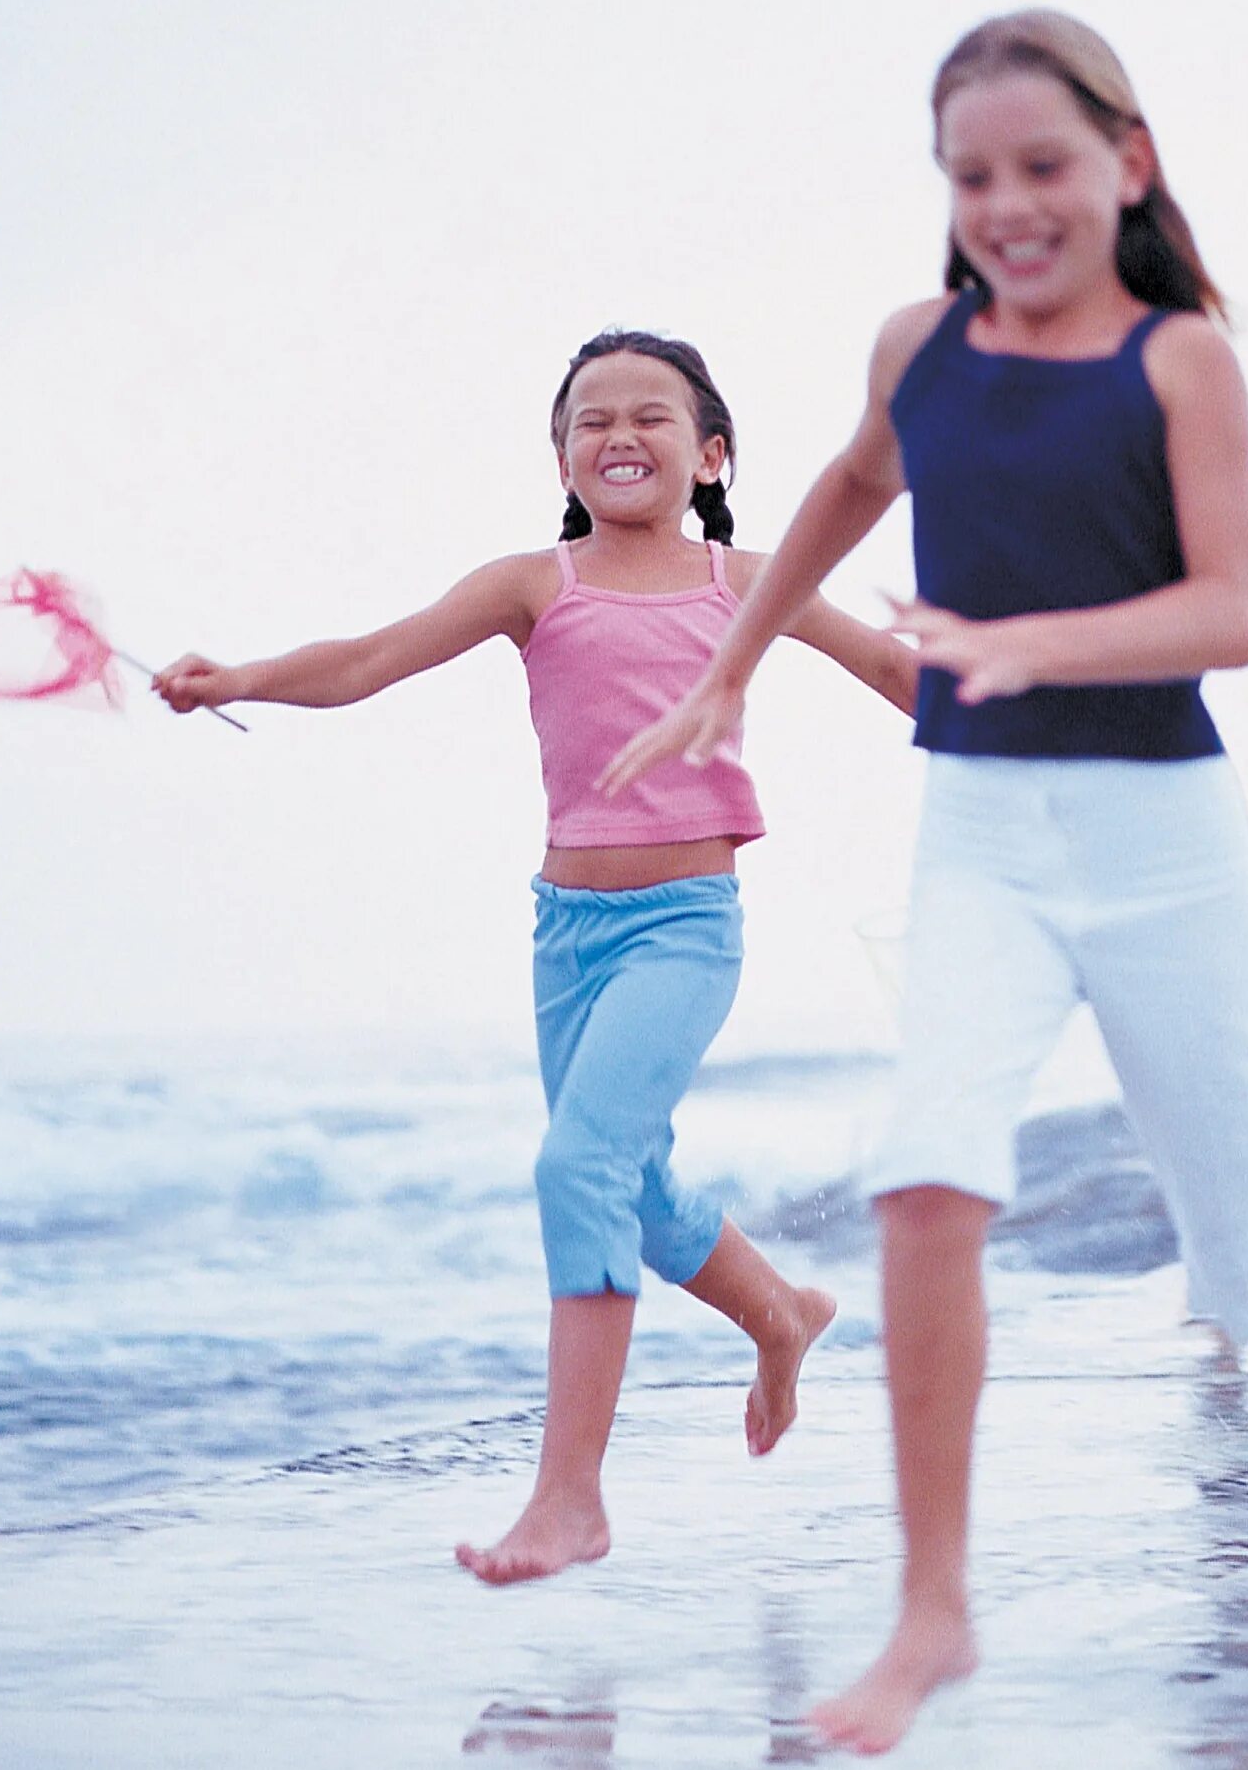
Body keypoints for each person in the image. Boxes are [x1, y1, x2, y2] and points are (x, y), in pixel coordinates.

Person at [604, 11, 1248, 1750]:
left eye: (1043, 167)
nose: (1008, 205)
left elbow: (1233, 612)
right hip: (979, 825)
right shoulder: (921, 347)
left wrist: (1029, 641)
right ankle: (933, 1607)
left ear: (1126, 163)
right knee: (928, 1175)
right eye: (973, 175)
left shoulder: (1183, 360)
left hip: (1163, 842)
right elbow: (838, 484)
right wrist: (735, 660)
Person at [153, 330, 913, 1583]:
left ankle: (571, 1497)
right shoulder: (533, 585)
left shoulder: (748, 581)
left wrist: (1048, 713)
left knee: (579, 1163)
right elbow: (367, 659)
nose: (620, 434)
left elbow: (891, 666)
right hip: (567, 934)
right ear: (560, 454)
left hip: (685, 924)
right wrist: (241, 676)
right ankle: (780, 1311)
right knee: (641, 1186)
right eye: (590, 418)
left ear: (712, 451)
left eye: (652, 416)